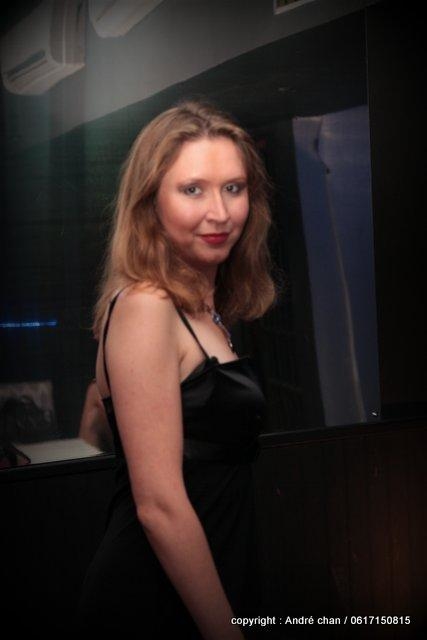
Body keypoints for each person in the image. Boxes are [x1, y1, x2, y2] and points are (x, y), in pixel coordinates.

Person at [75, 99, 280, 639]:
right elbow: (159, 506)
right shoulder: (147, 305)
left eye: (233, 187)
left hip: (213, 569)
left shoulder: (204, 307)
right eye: (192, 190)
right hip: (155, 597)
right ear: (150, 204)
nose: (220, 212)